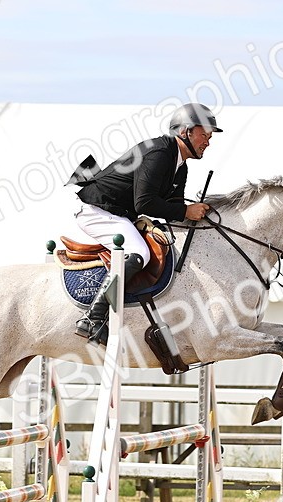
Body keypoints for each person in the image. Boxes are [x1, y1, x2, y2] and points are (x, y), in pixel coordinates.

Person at [67, 103, 222, 343]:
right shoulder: (159, 154)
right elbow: (145, 203)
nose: (208, 141)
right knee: (138, 252)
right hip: (96, 209)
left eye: (210, 136)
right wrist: (185, 210)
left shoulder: (180, 166)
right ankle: (92, 317)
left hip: (119, 212)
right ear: (185, 132)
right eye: (205, 134)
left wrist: (196, 213)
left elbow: (172, 210)